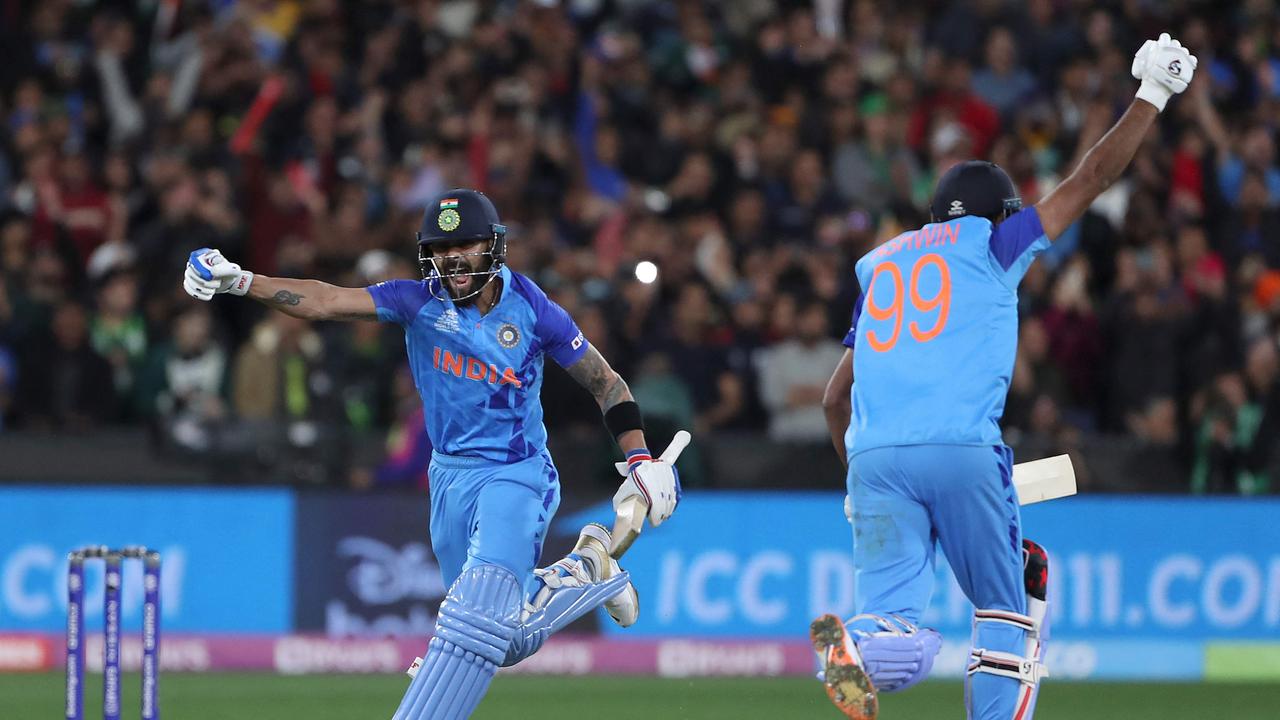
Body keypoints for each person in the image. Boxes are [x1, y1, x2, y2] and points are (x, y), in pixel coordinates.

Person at [182, 189, 682, 719]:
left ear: (492, 246)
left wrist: (640, 459)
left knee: (475, 621)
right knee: (499, 640)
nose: (453, 258)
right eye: (442, 248)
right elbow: (326, 300)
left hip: (515, 474)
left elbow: (607, 384)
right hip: (449, 479)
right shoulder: (416, 301)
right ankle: (589, 570)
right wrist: (241, 280)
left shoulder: (533, 309)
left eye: (466, 244)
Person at [813, 35, 1196, 720]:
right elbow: (1091, 180)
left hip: (872, 458)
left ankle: (864, 643)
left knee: (894, 624)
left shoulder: (881, 270)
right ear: (1003, 213)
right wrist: (1152, 94)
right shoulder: (993, 243)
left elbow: (833, 396)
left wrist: (854, 477)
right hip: (961, 449)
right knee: (1004, 612)